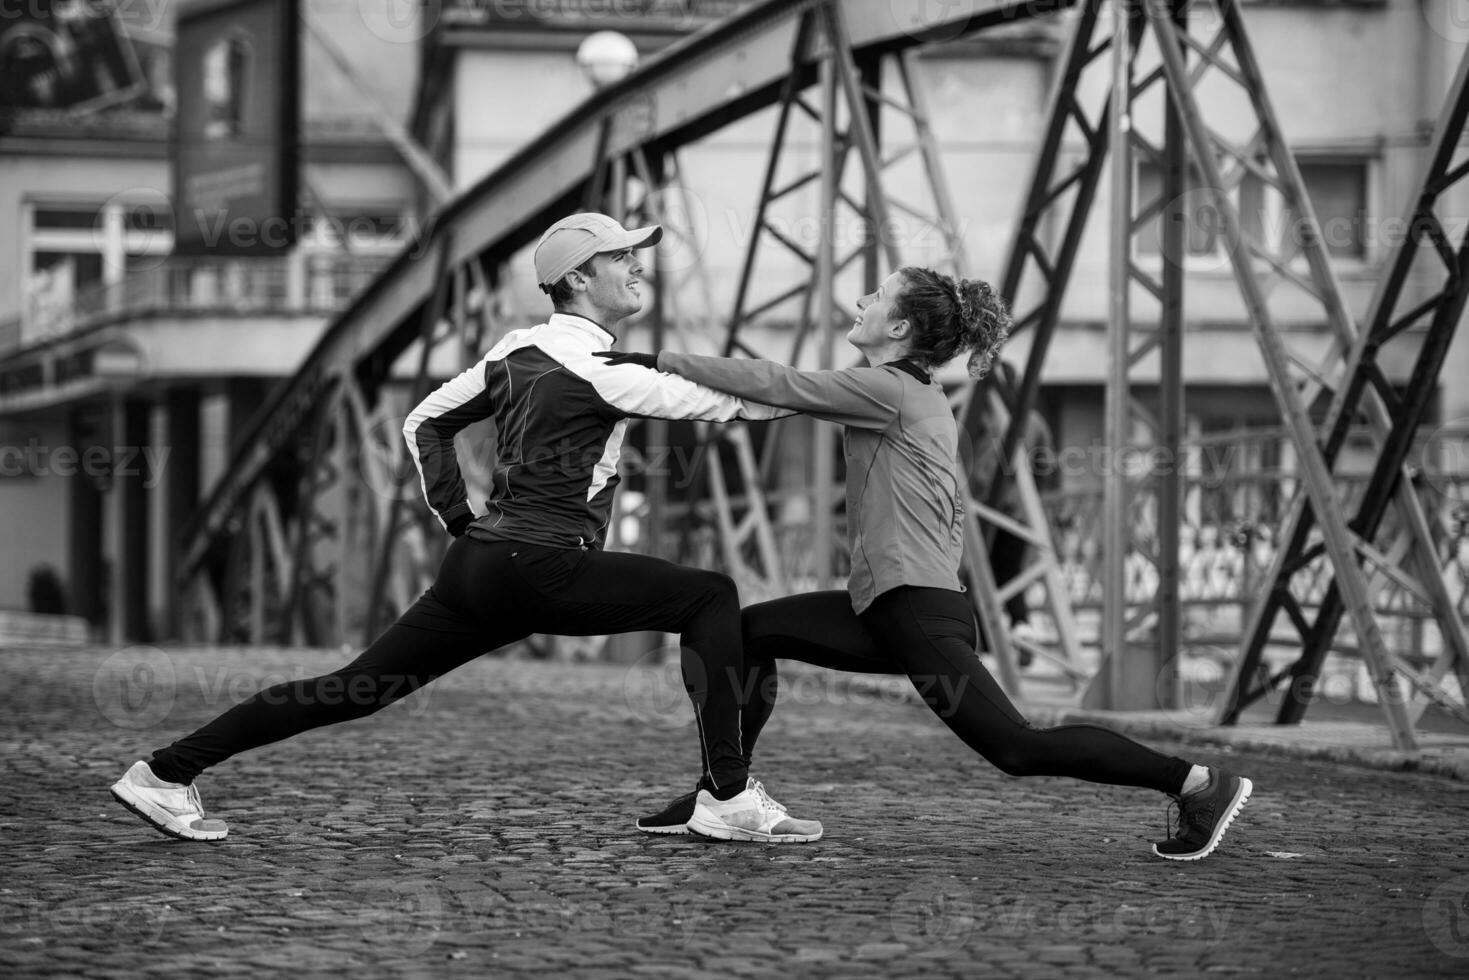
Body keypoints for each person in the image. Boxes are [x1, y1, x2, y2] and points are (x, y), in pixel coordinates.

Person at [110, 212, 821, 845]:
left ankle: (164, 772)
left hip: (481, 565)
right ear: (577, 279)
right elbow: (736, 406)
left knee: (352, 687)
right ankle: (724, 796)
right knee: (710, 596)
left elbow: (424, 423)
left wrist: (462, 523)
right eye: (621, 257)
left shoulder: (514, 351)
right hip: (544, 564)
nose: (638, 266)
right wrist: (853, 394)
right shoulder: (601, 370)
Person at [599, 266, 1252, 860]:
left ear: (901, 328)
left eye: (875, 298)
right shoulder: (910, 393)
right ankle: (722, 791)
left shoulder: (891, 389)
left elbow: (786, 384)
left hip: (915, 611)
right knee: (739, 634)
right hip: (892, 607)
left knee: (1016, 747)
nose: (859, 301)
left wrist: (663, 361)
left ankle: (1196, 783)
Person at [965, 359, 1057, 667]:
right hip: (1020, 516)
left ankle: (990, 643)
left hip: (983, 512)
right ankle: (1021, 630)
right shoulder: (1035, 423)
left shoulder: (984, 422)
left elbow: (969, 466)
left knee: (978, 578)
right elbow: (1046, 467)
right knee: (1010, 575)